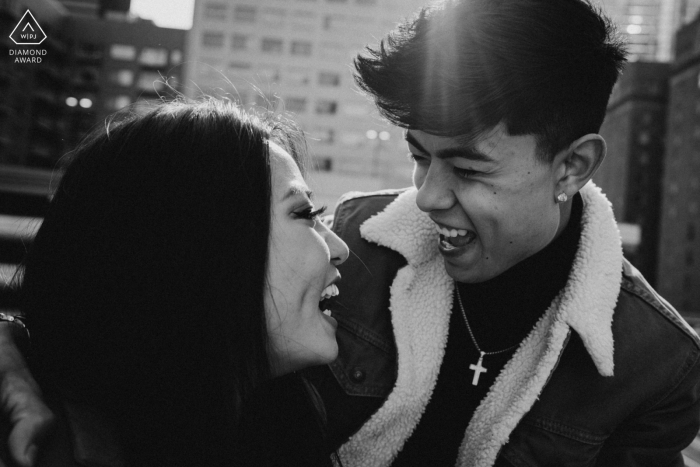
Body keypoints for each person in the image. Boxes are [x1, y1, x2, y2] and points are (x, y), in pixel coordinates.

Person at [2, 0, 700, 466]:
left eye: (466, 166)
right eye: (419, 153)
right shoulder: (356, 241)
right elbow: (156, 325)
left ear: (572, 165)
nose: (427, 195)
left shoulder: (657, 368)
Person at [0, 97, 348, 466]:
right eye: (304, 213)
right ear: (195, 246)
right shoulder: (41, 441)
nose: (339, 247)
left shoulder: (269, 427)